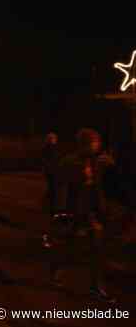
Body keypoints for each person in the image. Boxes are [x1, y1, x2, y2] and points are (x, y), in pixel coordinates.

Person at [49, 128, 116, 303]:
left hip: (93, 211)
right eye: (94, 142)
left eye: (97, 141)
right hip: (75, 211)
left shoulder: (99, 161)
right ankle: (58, 272)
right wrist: (61, 212)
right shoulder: (70, 162)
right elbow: (61, 188)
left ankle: (96, 286)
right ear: (84, 144)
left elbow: (106, 182)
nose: (97, 144)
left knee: (96, 247)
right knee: (70, 246)